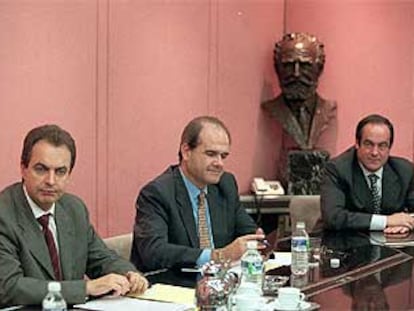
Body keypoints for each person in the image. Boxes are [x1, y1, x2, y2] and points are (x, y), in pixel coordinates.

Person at [0, 125, 148, 307]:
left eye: (60, 171)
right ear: (23, 168)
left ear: (69, 174)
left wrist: (128, 274)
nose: (51, 181)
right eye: (41, 169)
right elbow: (9, 287)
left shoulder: (74, 208)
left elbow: (101, 259)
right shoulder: (4, 214)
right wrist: (85, 288)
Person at [130, 116, 264, 272]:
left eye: (223, 156)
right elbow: (154, 252)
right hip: (173, 286)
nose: (219, 163)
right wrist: (217, 255)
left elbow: (247, 232)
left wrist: (257, 240)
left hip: (219, 283)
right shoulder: (157, 193)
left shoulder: (225, 185)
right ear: (186, 152)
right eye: (211, 154)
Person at [321, 114, 414, 233]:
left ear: (389, 147)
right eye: (369, 144)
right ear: (357, 143)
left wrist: (407, 223)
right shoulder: (337, 169)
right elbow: (333, 218)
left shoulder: (405, 170)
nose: (375, 152)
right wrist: (386, 221)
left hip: (390, 244)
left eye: (382, 146)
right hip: (345, 243)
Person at [262, 32, 337, 151]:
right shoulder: (271, 109)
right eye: (288, 65)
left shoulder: (328, 109)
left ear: (319, 69)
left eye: (305, 65)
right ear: (277, 69)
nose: (296, 74)